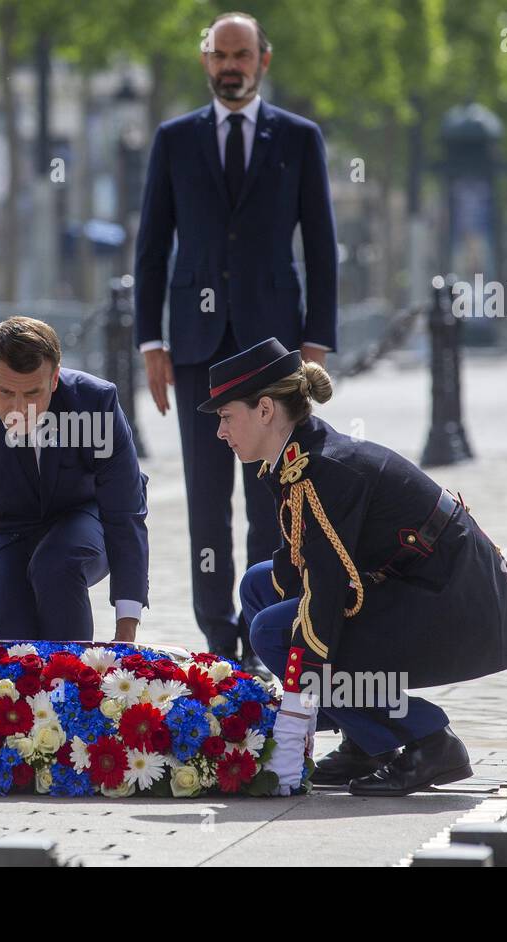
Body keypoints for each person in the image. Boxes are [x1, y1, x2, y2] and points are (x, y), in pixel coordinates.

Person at [200, 338, 507, 795]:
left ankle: (429, 739)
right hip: (419, 584)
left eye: (226, 416)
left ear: (264, 410)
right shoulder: (297, 458)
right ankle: (368, 742)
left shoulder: (322, 471)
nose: (220, 432)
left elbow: (324, 598)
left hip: (455, 600)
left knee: (273, 632)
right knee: (260, 587)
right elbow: (301, 561)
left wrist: (296, 712)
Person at [134, 12, 338, 672]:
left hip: (274, 354)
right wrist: (151, 343)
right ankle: (218, 641)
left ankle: (265, 631)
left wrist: (317, 344)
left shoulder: (300, 139)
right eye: (219, 54)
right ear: (205, 62)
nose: (230, 65)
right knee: (205, 504)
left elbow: (323, 244)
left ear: (263, 61)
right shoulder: (173, 139)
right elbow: (151, 249)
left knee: (273, 497)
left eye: (241, 54)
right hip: (195, 346)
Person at [0, 317, 148, 644]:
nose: (19, 408)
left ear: (54, 379)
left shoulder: (97, 404)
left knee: (56, 565)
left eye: (33, 392)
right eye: (6, 392)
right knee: (9, 630)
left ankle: (72, 681)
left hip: (81, 517)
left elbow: (124, 510)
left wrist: (126, 631)